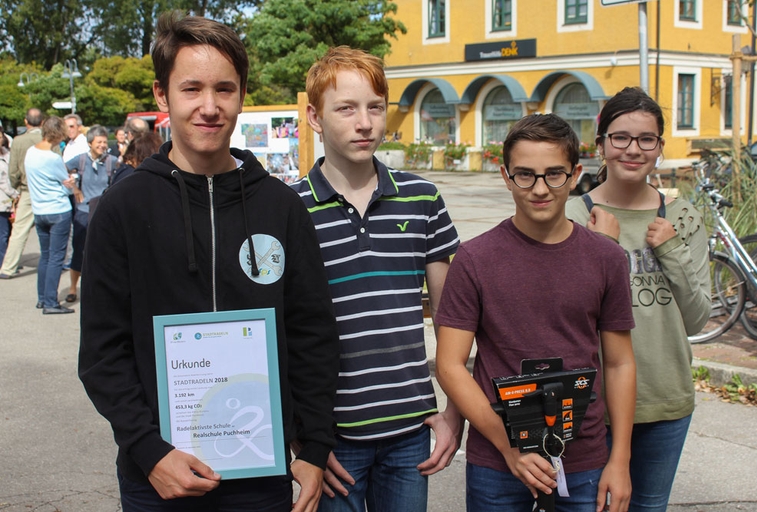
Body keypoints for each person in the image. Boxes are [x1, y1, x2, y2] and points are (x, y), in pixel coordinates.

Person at [78, 12, 339, 512]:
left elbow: (312, 334)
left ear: (242, 94)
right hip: (157, 475)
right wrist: (149, 450)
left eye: (225, 89)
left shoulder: (281, 208)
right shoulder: (122, 209)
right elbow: (102, 352)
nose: (209, 107)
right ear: (162, 96)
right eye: (191, 89)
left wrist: (315, 444)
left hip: (260, 470)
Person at [290, 46, 463, 512]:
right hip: (332, 436)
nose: (364, 122)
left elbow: (455, 317)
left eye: (375, 106)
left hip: (411, 430)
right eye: (346, 108)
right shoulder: (289, 209)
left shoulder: (422, 198)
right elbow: (280, 331)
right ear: (314, 116)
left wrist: (454, 411)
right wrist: (302, 441)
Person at [435, 114, 637, 512]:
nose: (540, 189)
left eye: (554, 174)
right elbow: (449, 365)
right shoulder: (475, 259)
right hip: (497, 460)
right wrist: (508, 446)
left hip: (584, 459)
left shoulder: (606, 258)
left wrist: (621, 459)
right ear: (505, 176)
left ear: (576, 174)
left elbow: (619, 363)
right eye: (525, 175)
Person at [565, 87, 710, 511]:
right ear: (602, 145)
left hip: (666, 398)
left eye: (646, 139)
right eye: (621, 137)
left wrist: (671, 249)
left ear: (660, 148)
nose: (633, 149)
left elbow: (698, 319)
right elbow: (563, 316)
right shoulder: (574, 215)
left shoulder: (682, 218)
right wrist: (602, 251)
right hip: (591, 404)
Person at [24, 116, 75, 314]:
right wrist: (69, 184)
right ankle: (51, 302)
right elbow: (67, 186)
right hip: (58, 210)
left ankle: (42, 298)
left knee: (45, 256)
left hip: (39, 210)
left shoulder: (31, 153)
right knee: (56, 258)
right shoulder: (53, 158)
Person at [64, 125, 118, 303]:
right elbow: (61, 169)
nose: (103, 145)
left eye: (104, 142)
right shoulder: (79, 160)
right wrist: (75, 188)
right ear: (89, 143)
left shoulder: (113, 161)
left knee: (104, 252)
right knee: (79, 250)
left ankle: (101, 290)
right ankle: (73, 288)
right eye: (99, 142)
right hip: (83, 211)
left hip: (103, 213)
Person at [0, 108, 44, 279]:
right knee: (51, 229)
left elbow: (13, 170)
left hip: (27, 190)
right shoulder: (47, 139)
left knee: (19, 231)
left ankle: (8, 267)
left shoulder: (18, 141)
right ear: (42, 122)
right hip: (47, 190)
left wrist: (17, 188)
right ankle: (57, 262)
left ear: (26, 122)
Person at [0, 127, 17, 265]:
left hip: (10, 201)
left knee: (10, 233)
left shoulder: (8, 154)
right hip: (3, 200)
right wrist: (15, 194)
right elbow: (2, 182)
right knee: (3, 234)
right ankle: (4, 263)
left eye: (0, 136)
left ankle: (8, 260)